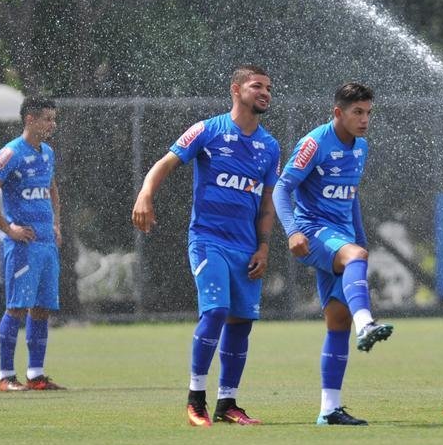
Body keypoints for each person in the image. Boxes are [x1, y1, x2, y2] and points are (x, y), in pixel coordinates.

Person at [132, 64, 281, 426]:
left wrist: (263, 247)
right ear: (236, 90)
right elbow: (165, 163)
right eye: (257, 86)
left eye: (269, 88)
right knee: (215, 311)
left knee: (241, 323)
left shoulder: (270, 146)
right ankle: (195, 398)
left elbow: (266, 204)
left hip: (246, 248)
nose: (265, 93)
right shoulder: (208, 130)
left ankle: (227, 404)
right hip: (207, 240)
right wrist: (145, 195)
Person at [273, 82, 393, 426]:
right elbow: (282, 188)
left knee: (336, 320)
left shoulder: (361, 147)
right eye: (358, 112)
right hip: (312, 232)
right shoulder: (315, 142)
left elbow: (351, 195)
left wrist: (360, 238)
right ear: (338, 112)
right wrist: (293, 231)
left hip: (341, 236)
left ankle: (329, 410)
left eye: (369, 112)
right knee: (355, 258)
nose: (365, 119)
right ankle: (366, 323)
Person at [0, 95, 66, 394]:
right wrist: (8, 228)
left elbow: (52, 188)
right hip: (23, 245)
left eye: (54, 119)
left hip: (45, 244)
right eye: (47, 118)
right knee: (17, 308)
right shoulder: (11, 153)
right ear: (30, 119)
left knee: (42, 308)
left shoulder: (48, 153)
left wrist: (56, 224)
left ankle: (36, 374)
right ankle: (6, 375)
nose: (52, 124)